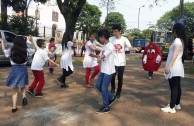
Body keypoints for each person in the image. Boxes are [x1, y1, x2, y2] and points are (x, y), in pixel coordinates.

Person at [0, 36, 34, 113]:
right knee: (22, 85)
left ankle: (14, 107)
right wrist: (32, 41)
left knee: (15, 90)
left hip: (15, 70)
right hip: (23, 70)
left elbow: (4, 51)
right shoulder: (27, 50)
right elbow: (34, 49)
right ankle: (24, 97)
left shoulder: (11, 50)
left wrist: (2, 42)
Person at [161, 23, 186, 113]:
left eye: (173, 29)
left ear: (175, 30)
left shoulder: (177, 40)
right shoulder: (180, 40)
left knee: (174, 87)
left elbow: (175, 54)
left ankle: (171, 107)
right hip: (177, 66)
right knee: (177, 86)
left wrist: (168, 67)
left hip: (174, 67)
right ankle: (176, 104)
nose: (172, 31)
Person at [109, 24, 139, 99]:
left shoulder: (124, 39)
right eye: (113, 32)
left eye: (116, 31)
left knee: (120, 78)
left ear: (120, 31)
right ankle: (112, 88)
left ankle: (118, 92)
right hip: (113, 62)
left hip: (122, 62)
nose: (114, 33)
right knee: (112, 77)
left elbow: (129, 47)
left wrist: (135, 48)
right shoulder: (111, 39)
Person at [90, 29, 116, 114]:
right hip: (104, 70)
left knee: (104, 89)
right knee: (98, 85)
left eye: (100, 37)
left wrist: (100, 58)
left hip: (109, 71)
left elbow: (106, 54)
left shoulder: (110, 46)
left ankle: (106, 107)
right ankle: (111, 97)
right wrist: (95, 55)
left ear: (103, 37)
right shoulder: (104, 46)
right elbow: (101, 55)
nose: (99, 39)